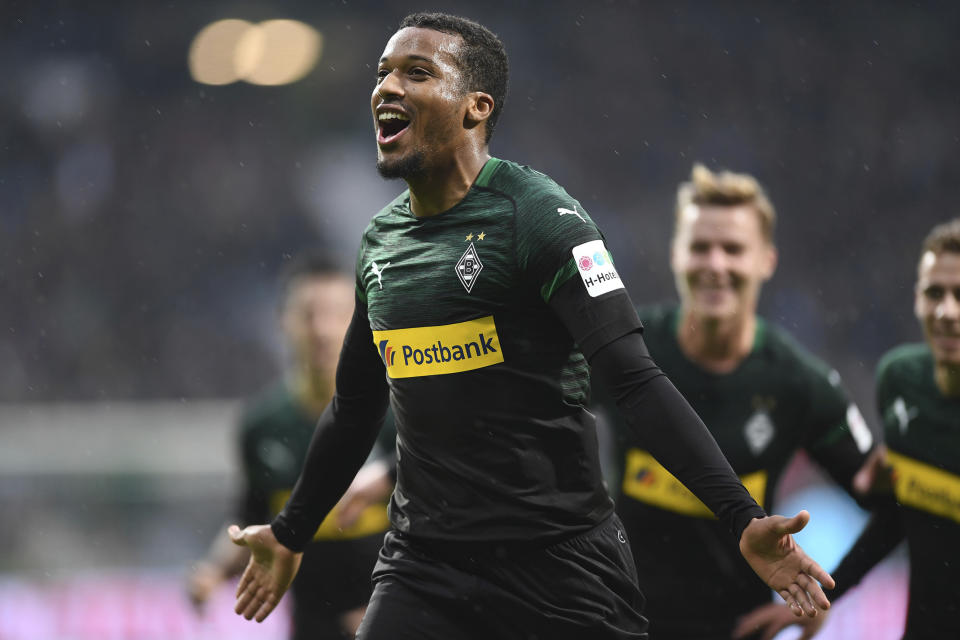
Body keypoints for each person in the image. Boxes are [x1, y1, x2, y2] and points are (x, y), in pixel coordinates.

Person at [227, 13, 837, 640]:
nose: (387, 88)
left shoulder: (543, 219)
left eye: (416, 72)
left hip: (560, 564)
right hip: (424, 565)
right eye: (382, 74)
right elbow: (356, 407)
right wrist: (292, 530)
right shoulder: (380, 244)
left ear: (475, 107)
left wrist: (740, 517)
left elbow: (633, 381)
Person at [599, 164, 877, 640]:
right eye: (700, 247)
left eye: (733, 249)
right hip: (621, 622)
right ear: (675, 254)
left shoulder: (799, 384)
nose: (716, 264)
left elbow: (890, 504)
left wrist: (833, 591)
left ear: (766, 260)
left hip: (734, 630)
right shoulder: (624, 349)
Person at [733, 218, 960, 640]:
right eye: (935, 293)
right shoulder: (901, 381)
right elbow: (900, 518)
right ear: (917, 300)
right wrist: (821, 595)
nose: (948, 311)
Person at [186, 253, 395, 640]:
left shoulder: (397, 412)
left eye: (336, 313)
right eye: (308, 314)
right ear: (283, 322)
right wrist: (213, 571)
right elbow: (253, 521)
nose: (322, 330)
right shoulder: (262, 426)